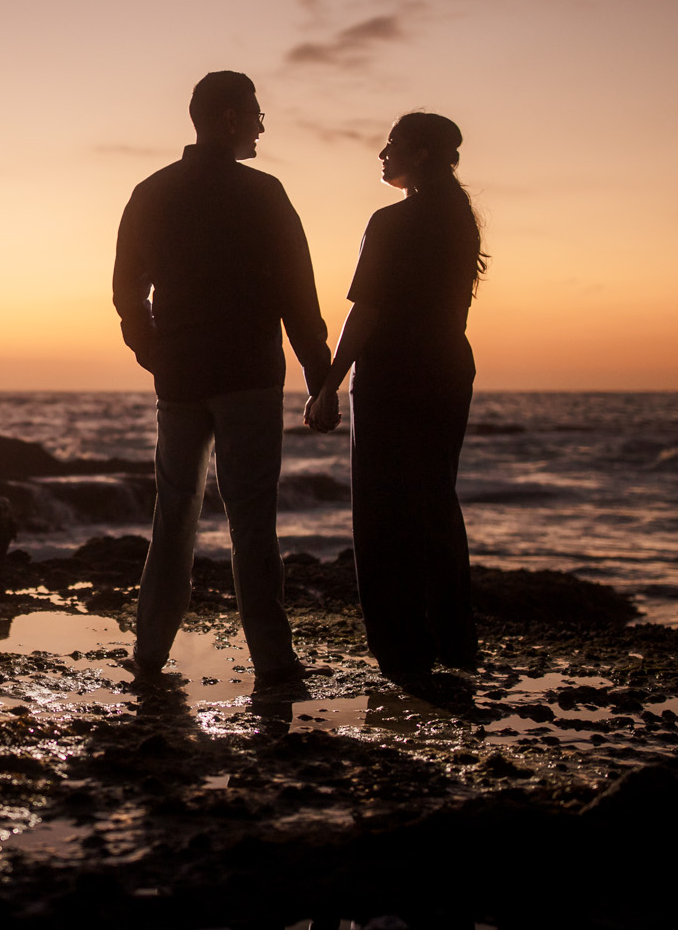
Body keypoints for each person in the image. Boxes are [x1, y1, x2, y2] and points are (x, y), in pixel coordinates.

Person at [113, 70, 332, 691]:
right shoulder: (264, 194)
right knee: (252, 520)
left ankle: (150, 652)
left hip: (181, 380)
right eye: (256, 113)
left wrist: (154, 353)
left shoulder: (153, 191)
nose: (263, 124)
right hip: (249, 379)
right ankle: (273, 662)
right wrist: (320, 378)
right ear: (231, 117)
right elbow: (298, 295)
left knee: (173, 513)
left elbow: (128, 291)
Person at [309, 112, 486, 682]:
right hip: (448, 367)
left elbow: (368, 311)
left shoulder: (391, 222)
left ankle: (402, 651)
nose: (383, 155)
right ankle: (454, 642)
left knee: (382, 512)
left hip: (392, 372)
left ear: (423, 155)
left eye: (393, 146)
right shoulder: (462, 221)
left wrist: (329, 382)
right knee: (435, 502)